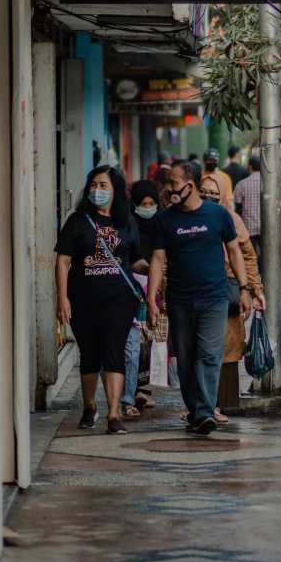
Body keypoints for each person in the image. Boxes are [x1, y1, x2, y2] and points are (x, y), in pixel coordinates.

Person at [147, 160, 252, 436]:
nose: (169, 188)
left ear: (190, 185)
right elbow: (157, 260)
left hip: (214, 298)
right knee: (185, 360)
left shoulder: (218, 215)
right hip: (179, 301)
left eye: (173, 183)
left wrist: (245, 289)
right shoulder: (164, 219)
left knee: (209, 355)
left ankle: (206, 412)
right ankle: (195, 412)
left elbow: (235, 252)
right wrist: (150, 300)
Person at [55, 165, 149, 435]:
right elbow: (63, 261)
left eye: (104, 185)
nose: (97, 190)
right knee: (89, 355)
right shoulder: (77, 221)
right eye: (94, 185)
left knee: (114, 353)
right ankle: (88, 408)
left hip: (119, 300)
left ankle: (113, 415)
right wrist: (62, 298)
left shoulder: (127, 223)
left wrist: (153, 268)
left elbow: (135, 260)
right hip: (82, 299)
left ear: (116, 190)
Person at [199, 174, 265, 419]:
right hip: (196, 290)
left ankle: (218, 404)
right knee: (198, 349)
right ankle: (198, 405)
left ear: (224, 196)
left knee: (227, 347)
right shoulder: (187, 216)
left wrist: (254, 290)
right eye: (203, 192)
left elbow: (247, 257)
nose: (208, 197)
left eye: (215, 194)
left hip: (228, 292)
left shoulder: (233, 220)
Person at [120, 180, 161, 420]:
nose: (148, 207)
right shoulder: (127, 224)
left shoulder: (162, 222)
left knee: (149, 340)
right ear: (133, 203)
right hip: (130, 286)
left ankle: (142, 389)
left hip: (152, 286)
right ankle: (132, 390)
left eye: (152, 203)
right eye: (142, 204)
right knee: (134, 342)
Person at [233, 154, 261, 261]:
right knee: (267, 258)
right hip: (266, 227)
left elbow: (238, 208)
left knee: (250, 258)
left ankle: (253, 276)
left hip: (248, 227)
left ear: (250, 168)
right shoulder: (270, 184)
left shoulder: (241, 184)